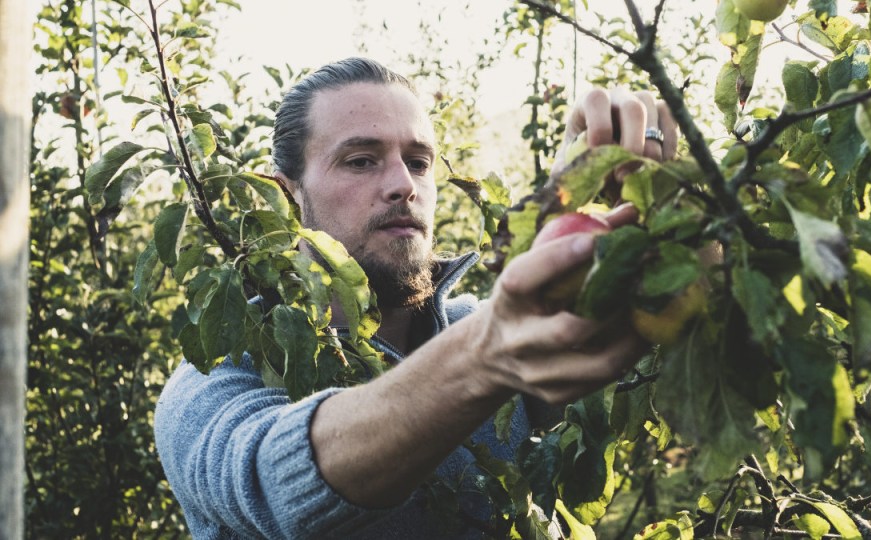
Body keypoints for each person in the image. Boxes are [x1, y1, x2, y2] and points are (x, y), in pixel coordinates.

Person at [154, 57, 679, 539]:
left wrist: (655, 221)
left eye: (420, 161)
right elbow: (274, 485)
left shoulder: (471, 325)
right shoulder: (215, 380)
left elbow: (654, 346)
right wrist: (486, 356)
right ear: (286, 194)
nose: (404, 183)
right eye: (361, 161)